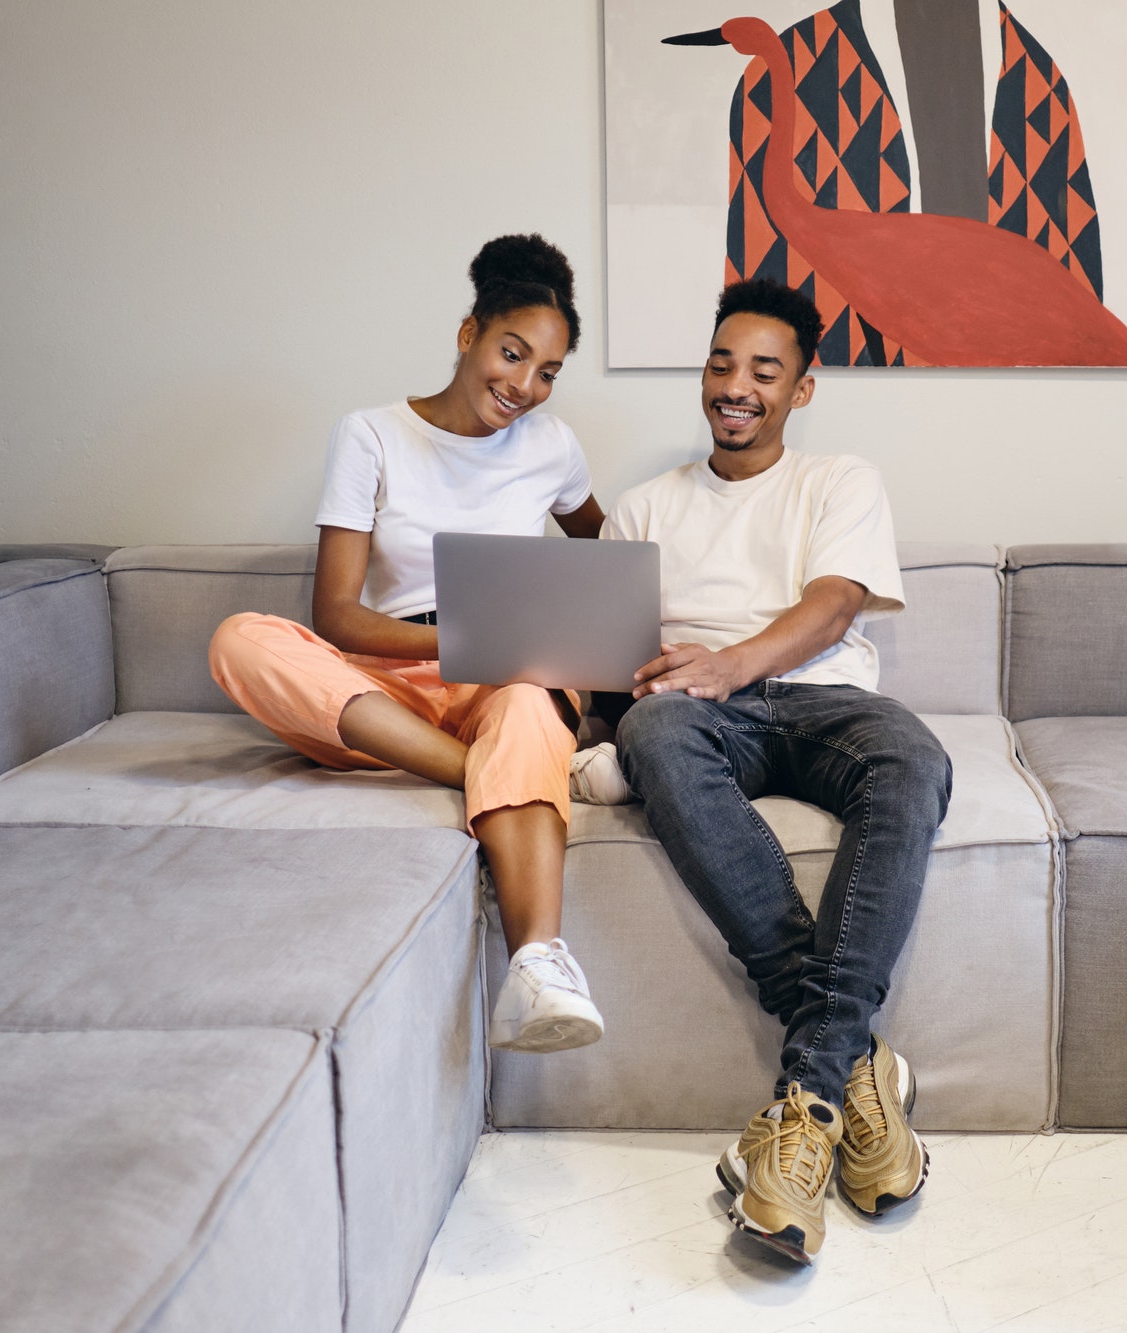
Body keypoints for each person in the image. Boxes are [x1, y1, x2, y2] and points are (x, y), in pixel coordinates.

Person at [600, 278, 952, 1266]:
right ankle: (846, 1069)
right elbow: (610, 654)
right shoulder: (641, 506)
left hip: (823, 702)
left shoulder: (838, 479)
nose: (735, 386)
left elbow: (833, 605)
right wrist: (624, 712)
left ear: (801, 387)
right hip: (695, 717)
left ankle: (805, 1095)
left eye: (763, 369)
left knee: (912, 754)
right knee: (653, 734)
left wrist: (725, 662)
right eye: (721, 364)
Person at [207, 233, 618, 1055]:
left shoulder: (553, 447)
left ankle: (538, 963)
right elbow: (337, 613)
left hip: (507, 678)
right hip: (387, 680)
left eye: (548, 372)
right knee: (241, 639)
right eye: (513, 354)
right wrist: (456, 644)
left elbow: (606, 559)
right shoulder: (371, 434)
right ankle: (504, 774)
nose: (526, 386)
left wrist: (567, 638)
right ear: (469, 335)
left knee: (531, 705)